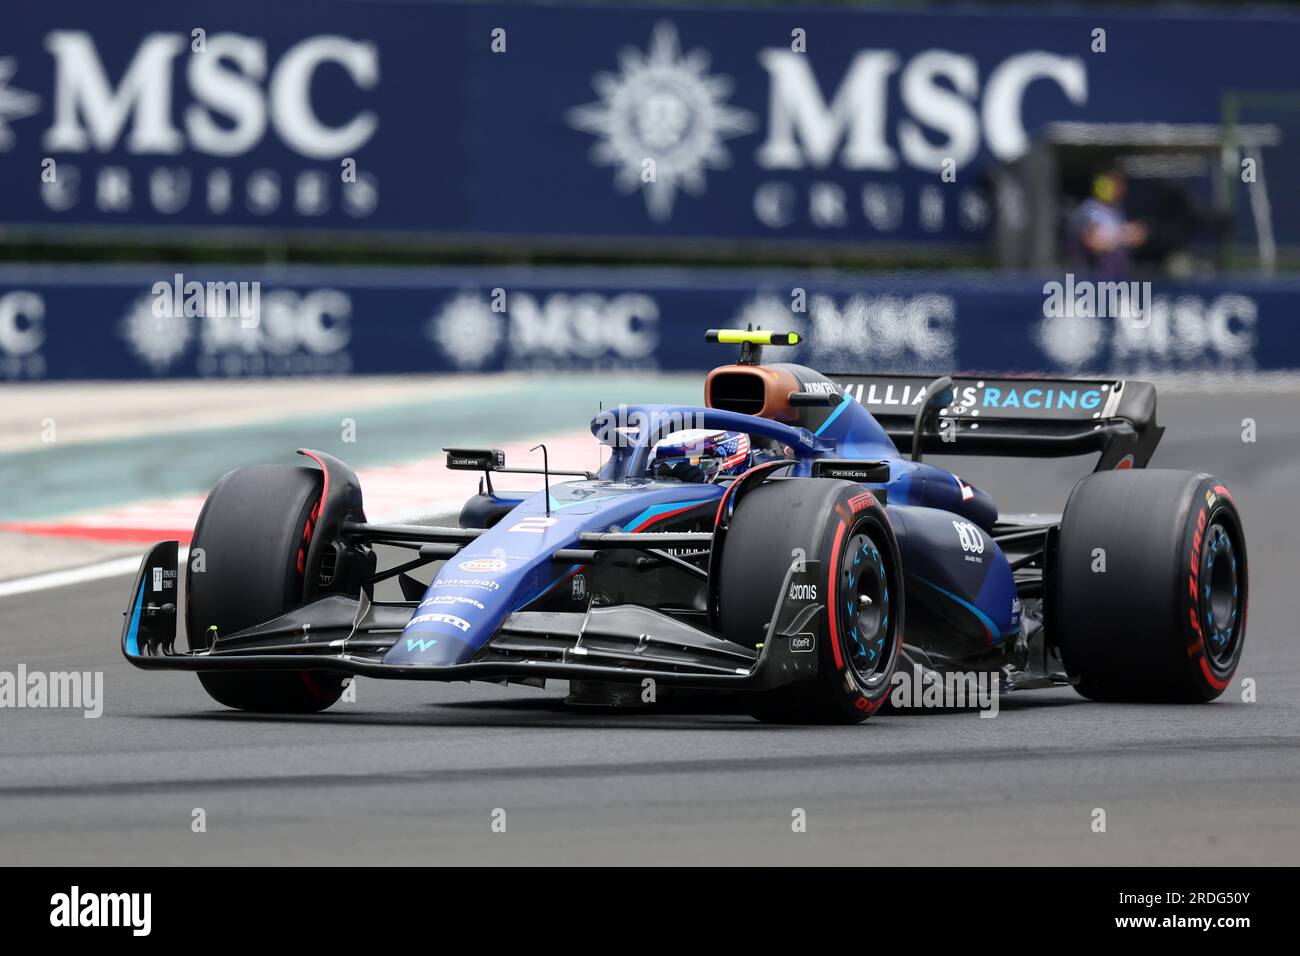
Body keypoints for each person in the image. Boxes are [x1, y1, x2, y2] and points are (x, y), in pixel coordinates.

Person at [1069, 169, 1147, 277]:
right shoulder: (1090, 209)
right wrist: (1123, 237)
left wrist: (1135, 234)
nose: (1122, 189)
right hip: (1092, 279)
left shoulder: (1116, 211)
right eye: (1117, 185)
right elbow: (1094, 243)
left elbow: (1134, 238)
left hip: (1116, 276)